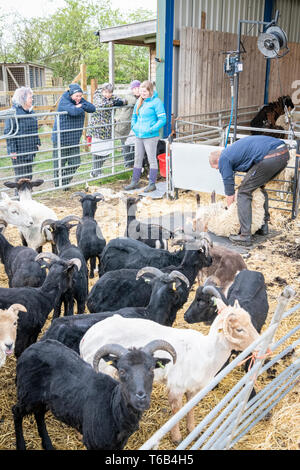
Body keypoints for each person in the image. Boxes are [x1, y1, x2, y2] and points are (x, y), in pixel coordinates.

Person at [209, 135, 289, 245]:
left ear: (218, 160)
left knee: (243, 192)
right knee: (259, 187)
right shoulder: (233, 152)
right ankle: (263, 226)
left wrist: (230, 210)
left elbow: (229, 190)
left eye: (217, 168)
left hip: (271, 155)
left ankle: (245, 236)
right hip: (283, 153)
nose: (219, 170)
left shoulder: (223, 158)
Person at [124, 80, 167, 193]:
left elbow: (162, 119)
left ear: (150, 91)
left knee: (151, 159)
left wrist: (152, 129)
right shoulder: (140, 101)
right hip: (139, 135)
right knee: (137, 158)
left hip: (151, 136)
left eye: (145, 91)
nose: (142, 94)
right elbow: (134, 116)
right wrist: (134, 126)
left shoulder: (156, 102)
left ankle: (152, 183)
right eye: (141, 91)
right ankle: (134, 181)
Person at [52, 83, 96, 189]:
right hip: (61, 138)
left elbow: (92, 108)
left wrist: (80, 105)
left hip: (74, 138)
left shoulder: (80, 101)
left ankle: (64, 181)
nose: (79, 98)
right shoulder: (63, 100)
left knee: (75, 162)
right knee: (59, 163)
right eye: (77, 96)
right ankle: (59, 185)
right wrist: (79, 107)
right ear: (71, 95)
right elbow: (74, 111)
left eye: (81, 96)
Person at [87, 83, 127, 177]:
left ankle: (96, 170)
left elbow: (123, 101)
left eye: (110, 93)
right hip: (97, 129)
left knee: (106, 152)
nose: (107, 95)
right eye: (106, 92)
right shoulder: (97, 96)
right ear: (102, 90)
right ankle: (95, 172)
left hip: (108, 129)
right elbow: (102, 104)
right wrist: (114, 103)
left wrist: (121, 102)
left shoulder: (112, 97)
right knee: (97, 151)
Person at [4, 87, 41, 182]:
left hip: (29, 149)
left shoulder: (31, 111)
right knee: (21, 178)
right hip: (19, 151)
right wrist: (12, 150)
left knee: (29, 176)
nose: (32, 99)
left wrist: (37, 142)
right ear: (23, 99)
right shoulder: (13, 112)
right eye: (30, 97)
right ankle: (19, 196)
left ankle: (26, 195)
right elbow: (9, 132)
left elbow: (35, 129)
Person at [114, 80, 141, 168]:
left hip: (134, 126)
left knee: (134, 144)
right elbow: (134, 102)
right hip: (124, 125)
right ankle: (128, 164)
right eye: (135, 88)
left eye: (139, 88)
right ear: (132, 89)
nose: (137, 90)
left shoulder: (140, 97)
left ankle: (133, 163)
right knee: (125, 144)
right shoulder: (129, 96)